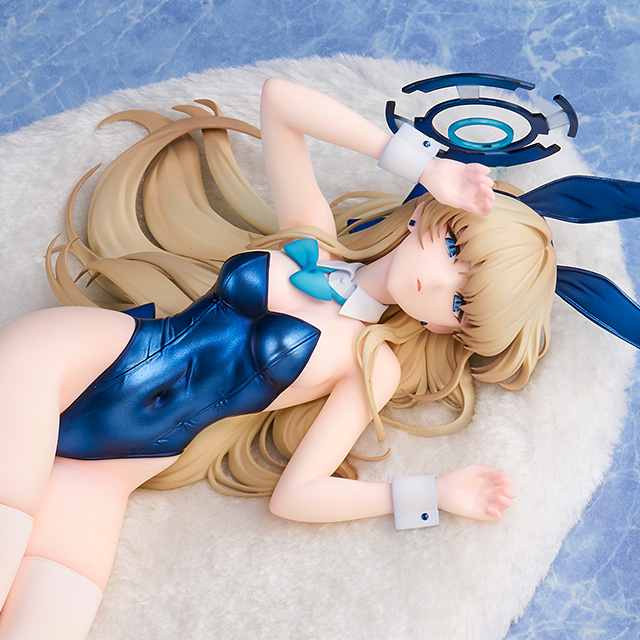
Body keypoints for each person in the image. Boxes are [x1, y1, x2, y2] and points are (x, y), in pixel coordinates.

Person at [0, 78, 556, 639]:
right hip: (74, 357)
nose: (435, 281)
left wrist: (434, 496)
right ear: (424, 217)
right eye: (454, 248)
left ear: (445, 327)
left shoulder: (373, 366)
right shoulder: (311, 235)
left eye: (460, 302)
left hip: (119, 463)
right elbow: (280, 101)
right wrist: (425, 166)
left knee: (47, 623)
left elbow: (298, 495)